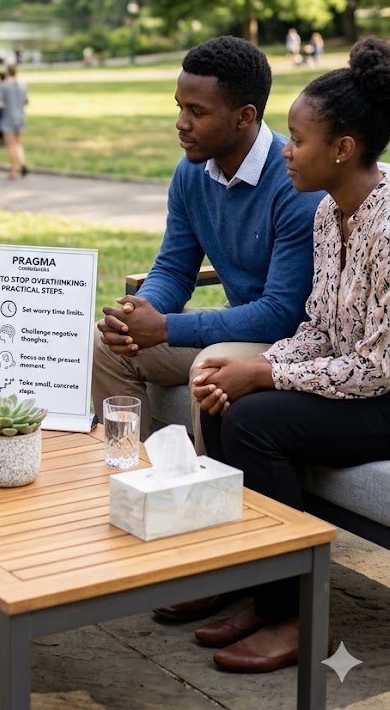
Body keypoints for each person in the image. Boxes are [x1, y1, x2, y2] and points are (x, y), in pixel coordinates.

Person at [189, 36, 390, 673]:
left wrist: (267, 372)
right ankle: (258, 588)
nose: (285, 150)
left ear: (343, 149)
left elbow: (375, 369)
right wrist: (252, 370)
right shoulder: (330, 214)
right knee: (226, 400)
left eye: (298, 140)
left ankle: (301, 617)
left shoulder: (387, 229)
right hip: (358, 386)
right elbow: (319, 329)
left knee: (254, 420)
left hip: (383, 394)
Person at [91, 36, 323, 462]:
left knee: (210, 367)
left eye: (197, 112)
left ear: (244, 116)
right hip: (240, 326)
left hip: (291, 341)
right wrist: (138, 314)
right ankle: (136, 473)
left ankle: (201, 491)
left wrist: (165, 328)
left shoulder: (296, 183)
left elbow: (282, 313)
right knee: (104, 344)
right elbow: (174, 268)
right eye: (179, 107)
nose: (181, 123)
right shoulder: (191, 173)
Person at [0, 62, 29, 180]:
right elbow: (26, 101)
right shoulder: (22, 85)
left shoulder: (4, 85)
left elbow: (0, 103)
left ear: (7, 72)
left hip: (9, 118)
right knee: (18, 143)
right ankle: (23, 163)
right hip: (20, 117)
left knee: (11, 146)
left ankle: (13, 171)